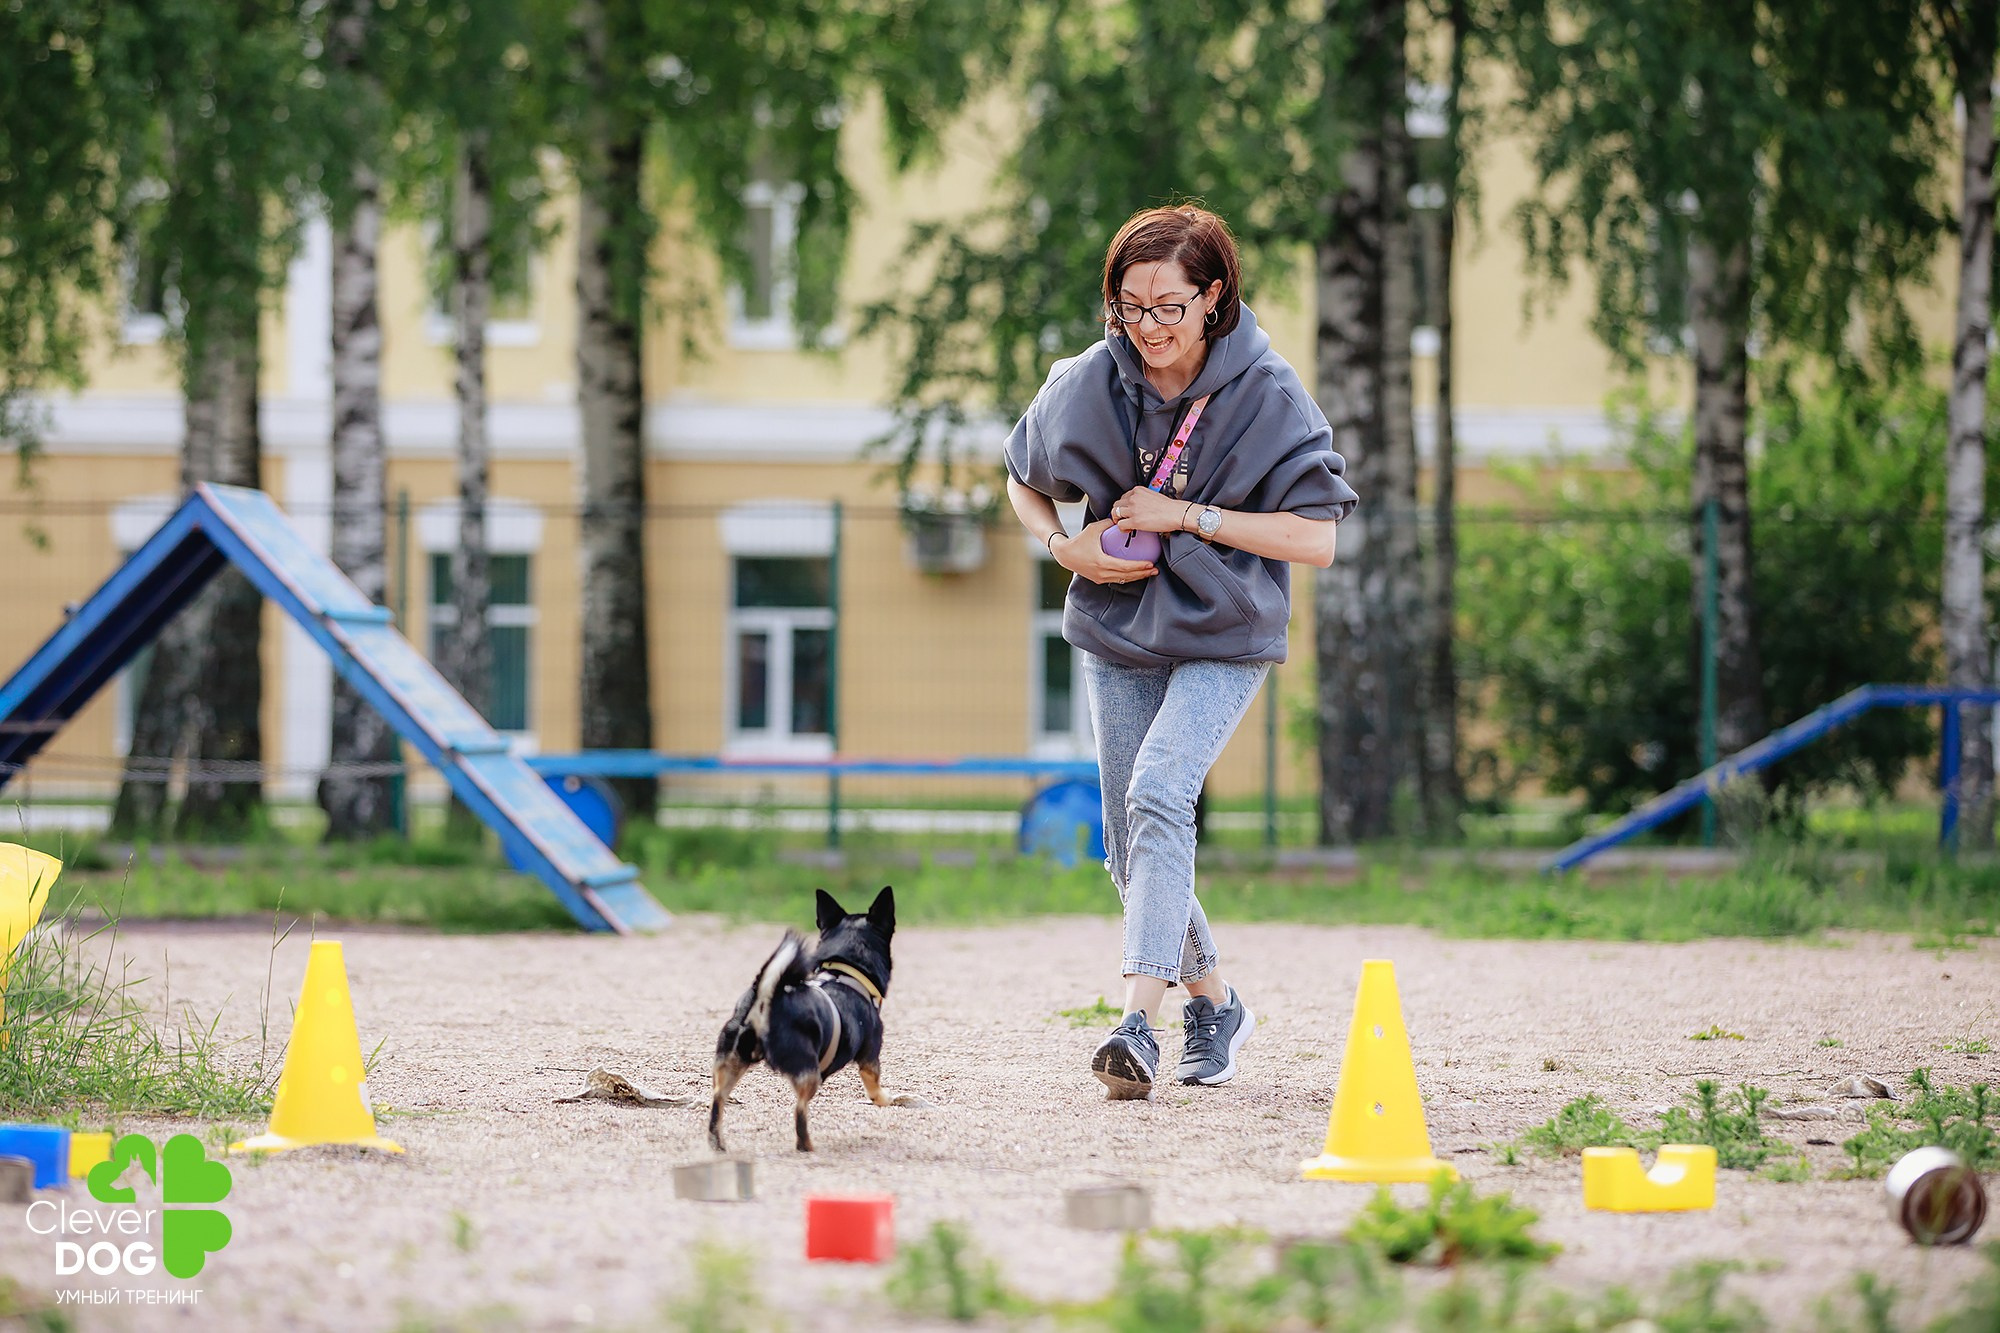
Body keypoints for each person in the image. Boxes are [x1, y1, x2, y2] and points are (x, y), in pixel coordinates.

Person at [1003, 204, 1358, 1100]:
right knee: (1129, 851)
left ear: (1213, 296)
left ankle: (1136, 1022)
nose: (1149, 327)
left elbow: (1316, 541)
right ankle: (1217, 1000)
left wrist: (1187, 516)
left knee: (1160, 789)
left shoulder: (1268, 392)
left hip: (1223, 627)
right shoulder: (1092, 377)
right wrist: (1061, 545)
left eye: (1168, 306)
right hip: (1117, 627)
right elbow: (1021, 475)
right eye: (1130, 307)